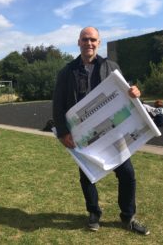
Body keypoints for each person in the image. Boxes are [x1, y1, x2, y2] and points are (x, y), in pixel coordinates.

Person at [53, 26, 150, 235]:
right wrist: (62, 132)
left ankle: (128, 217)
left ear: (99, 42)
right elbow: (58, 103)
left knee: (127, 174)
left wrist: (134, 92)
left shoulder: (111, 66)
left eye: (93, 40)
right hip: (84, 136)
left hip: (114, 132)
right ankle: (94, 214)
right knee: (87, 176)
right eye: (85, 39)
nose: (89, 43)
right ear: (78, 42)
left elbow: (125, 93)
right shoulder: (67, 71)